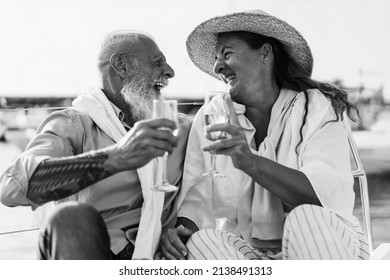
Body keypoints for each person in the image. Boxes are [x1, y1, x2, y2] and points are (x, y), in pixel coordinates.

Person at [158, 10, 369, 260]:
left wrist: (250, 161)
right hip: (250, 252)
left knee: (305, 218)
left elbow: (321, 195)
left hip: (327, 244)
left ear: (265, 54)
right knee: (199, 242)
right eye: (216, 58)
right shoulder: (212, 114)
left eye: (227, 54)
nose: (217, 66)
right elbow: (198, 197)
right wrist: (182, 233)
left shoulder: (314, 107)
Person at [0, 30, 190, 260]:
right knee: (70, 217)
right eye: (157, 62)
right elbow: (10, 189)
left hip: (163, 256)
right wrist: (115, 158)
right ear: (121, 65)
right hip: (94, 253)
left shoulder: (179, 128)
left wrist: (183, 228)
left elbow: (205, 191)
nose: (170, 71)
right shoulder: (73, 124)